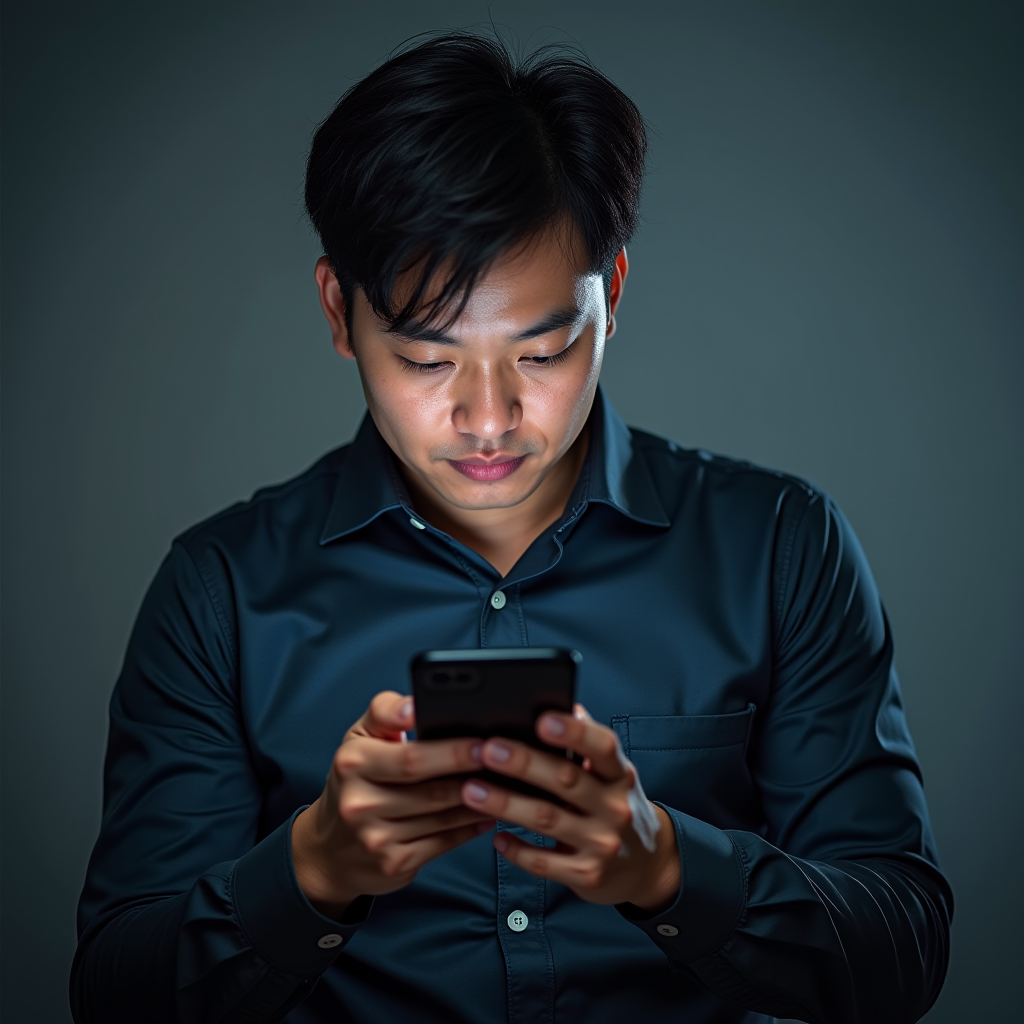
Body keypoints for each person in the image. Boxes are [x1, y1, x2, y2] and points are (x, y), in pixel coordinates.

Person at [70, 32, 952, 1024]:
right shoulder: (221, 591)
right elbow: (117, 991)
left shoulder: (781, 547)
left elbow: (902, 950)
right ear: (337, 311)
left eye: (542, 352)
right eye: (425, 358)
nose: (487, 418)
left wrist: (669, 869)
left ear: (610, 297)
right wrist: (311, 869)